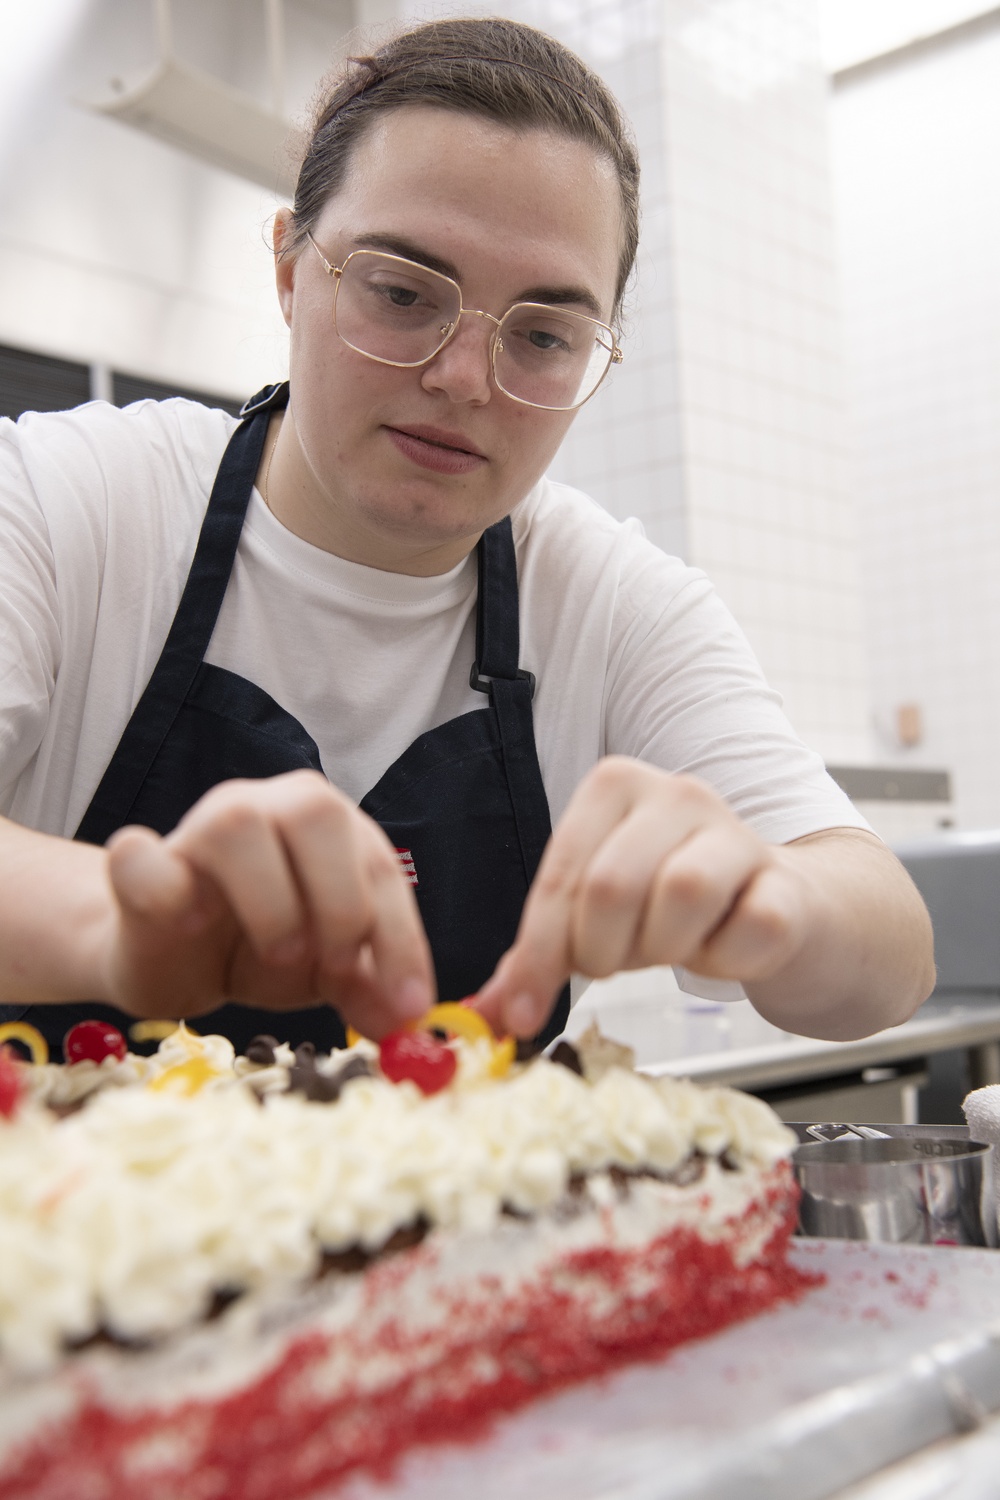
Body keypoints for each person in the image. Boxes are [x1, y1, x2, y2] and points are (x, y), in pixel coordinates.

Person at [0, 17, 933, 1060]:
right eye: (403, 294)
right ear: (290, 272)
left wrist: (776, 904)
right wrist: (120, 924)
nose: (461, 379)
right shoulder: (66, 499)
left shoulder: (611, 606)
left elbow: (889, 956)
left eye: (541, 335)